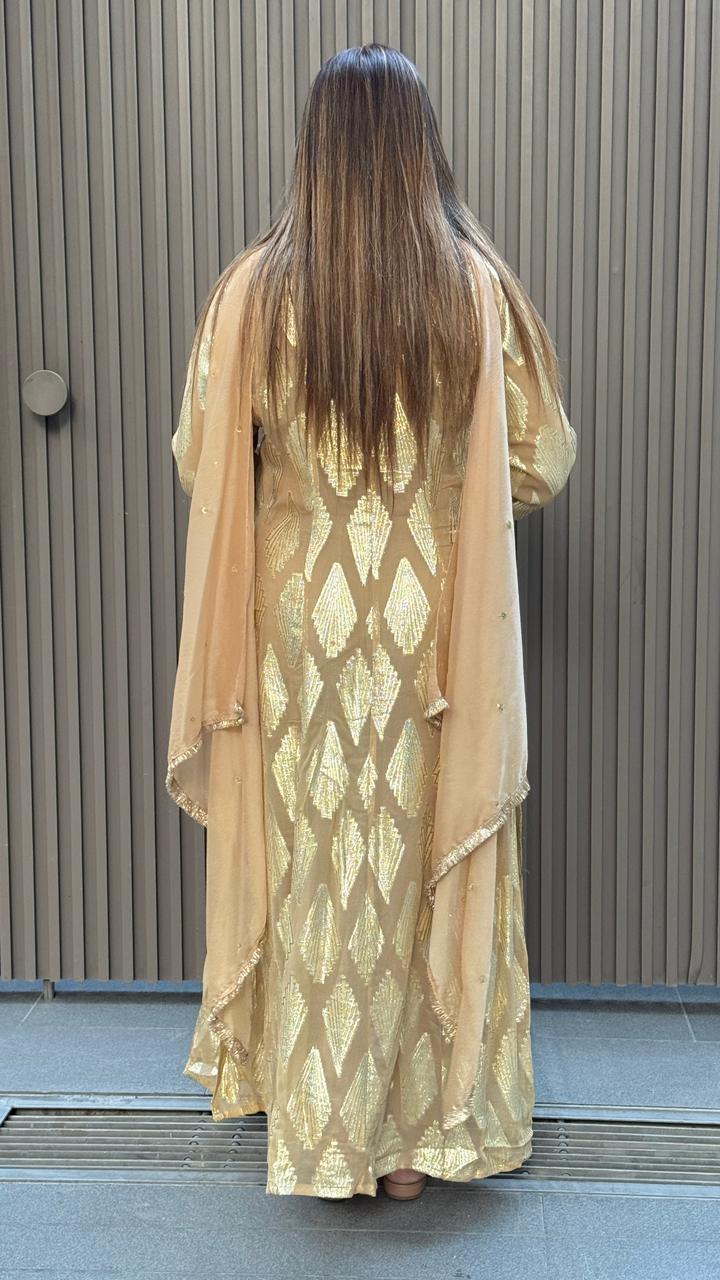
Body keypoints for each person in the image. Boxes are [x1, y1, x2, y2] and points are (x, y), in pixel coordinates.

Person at [166, 43, 577, 1201]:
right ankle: (411, 1145)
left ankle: (320, 1127)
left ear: (315, 149)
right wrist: (442, 485)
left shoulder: (252, 291)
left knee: (317, 864)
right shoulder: (473, 286)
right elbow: (540, 460)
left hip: (300, 618)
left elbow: (202, 457)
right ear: (421, 147)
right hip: (434, 620)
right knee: (423, 860)